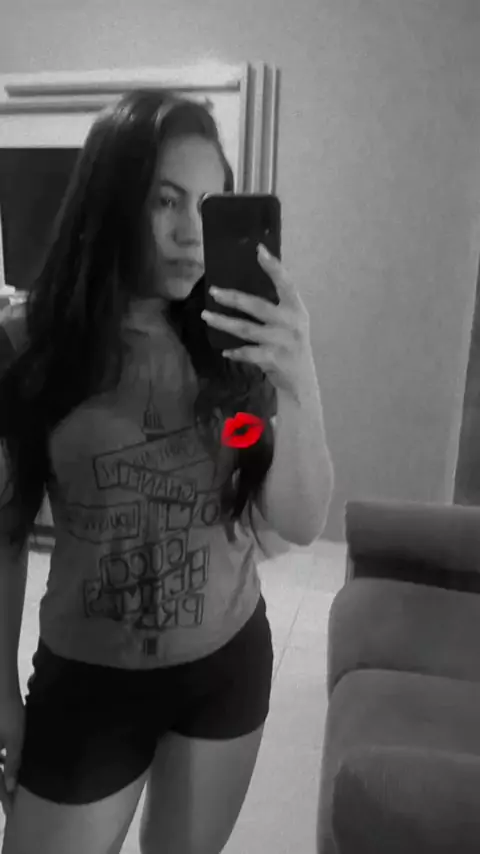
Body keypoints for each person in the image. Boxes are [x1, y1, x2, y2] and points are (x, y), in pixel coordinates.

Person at [0, 89, 333, 854]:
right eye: (165, 200)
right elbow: (6, 536)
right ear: (112, 199)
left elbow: (299, 520)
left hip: (226, 668)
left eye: (207, 206)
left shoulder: (231, 343)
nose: (191, 233)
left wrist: (298, 379)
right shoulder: (28, 346)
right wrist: (1, 699)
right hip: (88, 683)